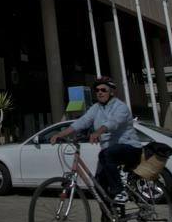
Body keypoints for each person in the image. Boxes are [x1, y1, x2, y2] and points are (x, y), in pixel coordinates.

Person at [50, 77, 142, 205]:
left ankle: (120, 191)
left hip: (130, 148)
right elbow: (83, 121)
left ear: (110, 92)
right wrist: (60, 134)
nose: (100, 92)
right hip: (109, 151)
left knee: (105, 154)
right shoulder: (96, 108)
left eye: (103, 89)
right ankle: (111, 217)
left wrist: (98, 131)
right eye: (97, 90)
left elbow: (114, 122)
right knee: (99, 185)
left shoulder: (120, 107)